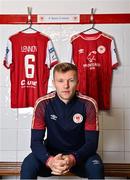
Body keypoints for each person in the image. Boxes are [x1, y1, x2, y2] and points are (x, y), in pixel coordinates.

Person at [20, 62, 104, 179]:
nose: (66, 86)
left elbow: (91, 143)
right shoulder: (43, 103)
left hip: (80, 155)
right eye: (61, 81)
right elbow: (35, 141)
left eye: (71, 80)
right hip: (51, 155)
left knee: (96, 167)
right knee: (28, 165)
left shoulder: (88, 104)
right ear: (54, 83)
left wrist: (72, 158)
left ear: (77, 82)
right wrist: (50, 161)